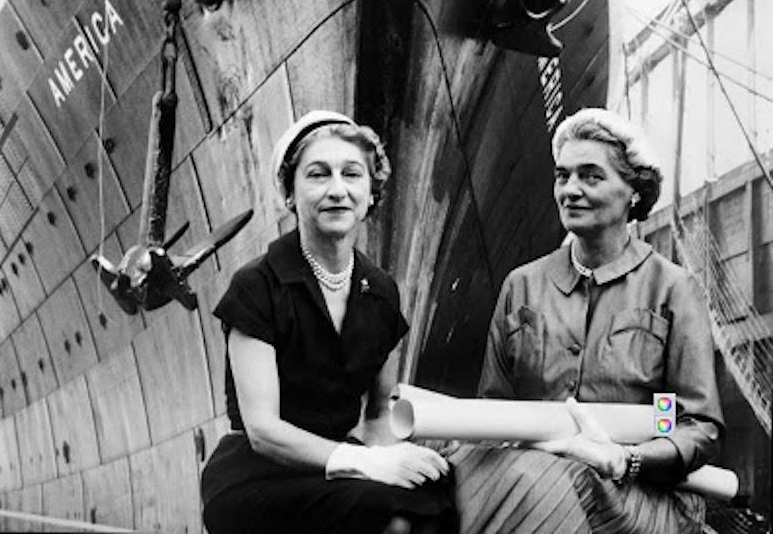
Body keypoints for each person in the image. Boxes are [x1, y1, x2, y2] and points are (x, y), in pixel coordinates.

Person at [451, 107, 724, 534]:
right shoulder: (520, 286)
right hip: (531, 481)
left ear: (634, 192)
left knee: (539, 489)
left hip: (640, 494)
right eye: (563, 176)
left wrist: (624, 459)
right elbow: (494, 412)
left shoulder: (673, 289)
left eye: (591, 176)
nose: (570, 190)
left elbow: (698, 427)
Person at [201, 110, 456, 534]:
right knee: (393, 514)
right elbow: (262, 431)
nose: (337, 189)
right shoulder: (257, 286)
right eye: (318, 175)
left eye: (352, 175)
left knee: (434, 498)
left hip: (336, 473)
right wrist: (366, 463)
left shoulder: (381, 292)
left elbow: (377, 414)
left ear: (371, 193)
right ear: (290, 193)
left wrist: (399, 459)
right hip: (254, 479)